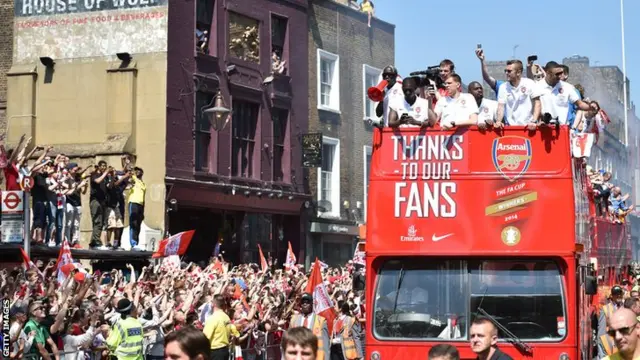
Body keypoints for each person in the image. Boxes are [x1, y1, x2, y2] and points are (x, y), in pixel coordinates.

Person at [495, 60, 541, 129]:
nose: (506, 73)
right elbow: (501, 107)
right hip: (511, 128)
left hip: (529, 127)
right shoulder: (503, 87)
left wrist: (534, 121)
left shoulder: (529, 83)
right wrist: (498, 121)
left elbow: (537, 103)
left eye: (509, 71)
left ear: (518, 72)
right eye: (506, 71)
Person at [289, 293, 330, 360]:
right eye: (303, 302)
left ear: (312, 304)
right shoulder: (294, 320)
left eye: (307, 302)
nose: (305, 304)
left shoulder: (321, 321)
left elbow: (325, 346)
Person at [202, 294, 239, 360]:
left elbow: (205, 337)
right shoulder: (226, 317)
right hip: (225, 350)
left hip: (215, 351)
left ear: (213, 304)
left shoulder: (213, 318)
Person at [600, 285, 626, 358]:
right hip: (611, 346)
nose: (618, 295)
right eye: (615, 294)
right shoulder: (605, 309)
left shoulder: (626, 307)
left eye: (620, 293)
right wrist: (602, 349)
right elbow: (601, 332)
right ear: (612, 296)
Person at [128, 166, 146, 250]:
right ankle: (133, 243)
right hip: (133, 202)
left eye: (139, 171)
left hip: (140, 205)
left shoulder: (143, 184)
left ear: (142, 173)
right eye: (136, 171)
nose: (137, 172)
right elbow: (129, 172)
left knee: (138, 225)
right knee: (133, 223)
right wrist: (127, 163)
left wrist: (143, 211)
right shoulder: (134, 178)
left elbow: (144, 198)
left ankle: (136, 243)